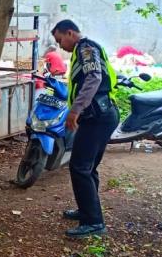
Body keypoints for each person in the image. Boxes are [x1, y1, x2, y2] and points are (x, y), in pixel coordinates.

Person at [51, 19, 119, 238]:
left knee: (80, 166)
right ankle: (88, 211)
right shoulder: (83, 49)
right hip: (102, 114)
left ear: (70, 33)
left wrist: (75, 110)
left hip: (97, 116)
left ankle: (93, 222)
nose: (60, 46)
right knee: (88, 167)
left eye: (60, 40)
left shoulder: (86, 48)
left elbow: (93, 78)